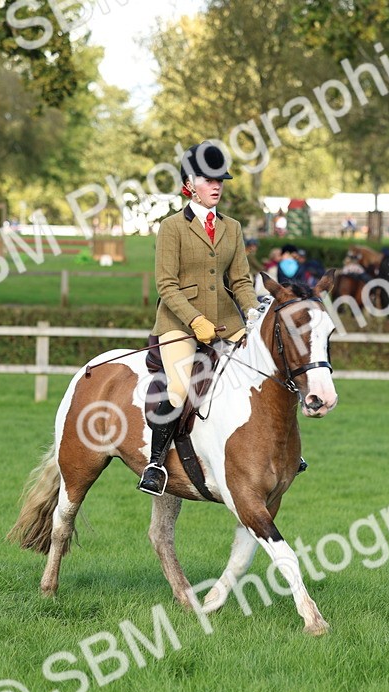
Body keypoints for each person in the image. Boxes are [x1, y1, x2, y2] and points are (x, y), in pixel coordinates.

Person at [138, 141, 261, 496]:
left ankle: (278, 452)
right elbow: (166, 284)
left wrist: (252, 312)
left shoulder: (232, 227)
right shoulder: (172, 227)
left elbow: (239, 280)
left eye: (221, 179)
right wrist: (194, 321)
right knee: (178, 389)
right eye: (210, 179)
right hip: (179, 323)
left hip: (227, 319)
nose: (218, 185)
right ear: (190, 183)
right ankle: (156, 463)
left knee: (266, 368)